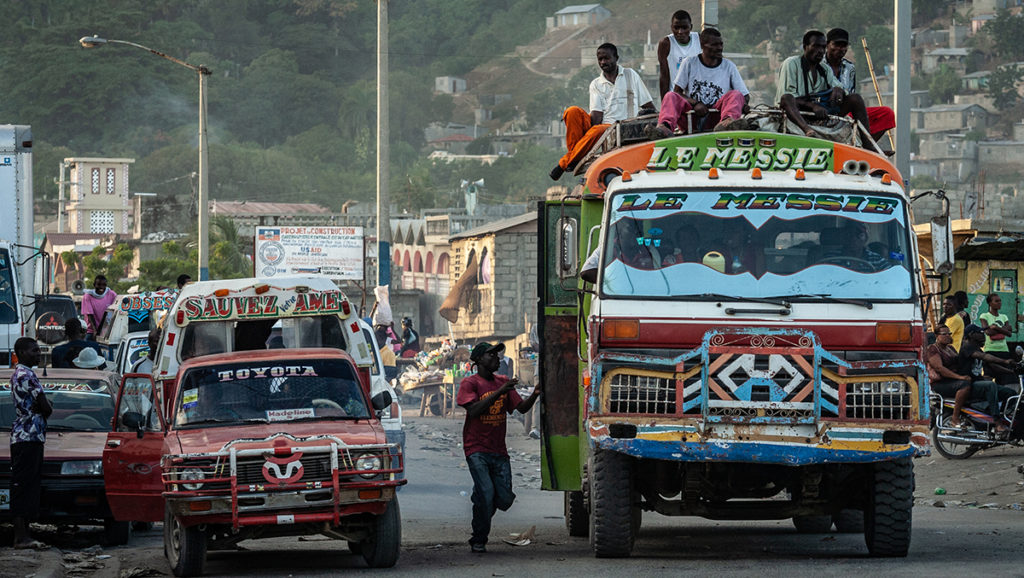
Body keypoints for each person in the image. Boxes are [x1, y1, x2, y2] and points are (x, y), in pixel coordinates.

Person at [456, 342, 541, 553]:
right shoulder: (470, 383)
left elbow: (520, 409)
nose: (497, 358)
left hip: (498, 450)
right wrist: (499, 391)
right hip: (476, 448)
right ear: (478, 361)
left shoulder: (502, 381)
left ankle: (480, 500)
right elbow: (474, 410)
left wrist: (535, 394)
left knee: (502, 499)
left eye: (497, 354)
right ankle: (479, 538)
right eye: (491, 354)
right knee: (487, 493)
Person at [550, 43, 654, 180]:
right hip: (602, 127)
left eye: (607, 58)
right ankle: (574, 157)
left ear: (616, 58)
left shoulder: (630, 75)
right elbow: (596, 118)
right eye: (600, 59)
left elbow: (648, 105)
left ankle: (565, 163)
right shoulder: (596, 84)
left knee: (599, 131)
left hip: (624, 127)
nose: (603, 62)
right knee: (572, 112)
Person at [777, 30, 872, 147]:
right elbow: (788, 97)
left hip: (821, 113)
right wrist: (813, 106)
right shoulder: (791, 63)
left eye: (822, 47)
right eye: (816, 46)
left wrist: (839, 90)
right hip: (797, 112)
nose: (820, 51)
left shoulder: (824, 68)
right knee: (787, 98)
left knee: (855, 99)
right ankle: (807, 130)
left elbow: (841, 87)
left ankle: (869, 145)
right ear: (805, 47)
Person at [651, 27, 751, 137]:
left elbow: (744, 96)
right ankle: (665, 127)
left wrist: (743, 104)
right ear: (702, 45)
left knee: (736, 94)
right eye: (714, 45)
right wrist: (696, 104)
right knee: (670, 96)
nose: (719, 48)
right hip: (692, 118)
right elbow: (677, 93)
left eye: (721, 44)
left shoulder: (729, 66)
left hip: (717, 120)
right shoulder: (689, 63)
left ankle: (727, 123)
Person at [9, 337, 52, 549]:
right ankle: (21, 536)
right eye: (34, 351)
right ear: (22, 352)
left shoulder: (20, 374)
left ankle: (24, 534)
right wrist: (45, 406)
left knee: (26, 485)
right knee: (24, 486)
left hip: (27, 435)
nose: (38, 354)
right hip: (28, 436)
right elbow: (46, 406)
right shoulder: (27, 374)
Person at [823, 28, 896, 143]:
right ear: (827, 45)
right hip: (825, 108)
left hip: (846, 110)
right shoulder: (819, 63)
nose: (840, 49)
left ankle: (866, 146)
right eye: (836, 45)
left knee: (887, 114)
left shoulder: (849, 67)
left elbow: (850, 93)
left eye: (844, 46)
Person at [958, 325, 1013, 433]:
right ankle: (997, 423)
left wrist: (1012, 371)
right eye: (980, 332)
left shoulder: (977, 348)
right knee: (990, 385)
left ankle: (1001, 417)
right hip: (969, 385)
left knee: (1010, 393)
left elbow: (992, 365)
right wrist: (1005, 361)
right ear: (971, 335)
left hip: (978, 384)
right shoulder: (966, 347)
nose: (983, 335)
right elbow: (985, 357)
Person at [927, 325, 973, 429]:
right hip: (940, 384)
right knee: (965, 386)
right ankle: (955, 418)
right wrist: (959, 377)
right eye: (944, 334)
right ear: (937, 336)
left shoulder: (950, 348)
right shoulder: (933, 349)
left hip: (951, 381)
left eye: (949, 334)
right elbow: (939, 368)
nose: (948, 336)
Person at [657, 10, 701, 98]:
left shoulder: (699, 39)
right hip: (676, 97)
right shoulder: (666, 43)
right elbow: (664, 75)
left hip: (697, 97)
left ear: (691, 27)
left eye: (684, 28)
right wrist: (665, 103)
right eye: (676, 28)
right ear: (671, 27)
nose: (680, 32)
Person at [978, 294, 1016, 385]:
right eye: (996, 301)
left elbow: (1010, 334)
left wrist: (996, 328)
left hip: (1003, 350)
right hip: (990, 350)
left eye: (1000, 301)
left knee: (1004, 378)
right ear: (990, 303)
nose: (999, 303)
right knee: (989, 377)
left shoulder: (1004, 316)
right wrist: (1004, 329)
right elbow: (988, 332)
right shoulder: (984, 316)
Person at [81, 275, 118, 340]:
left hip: (107, 331)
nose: (101, 287)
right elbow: (90, 315)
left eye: (104, 285)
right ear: (94, 285)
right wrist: (95, 331)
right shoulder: (87, 296)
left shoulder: (112, 294)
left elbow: (115, 310)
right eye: (99, 284)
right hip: (92, 331)